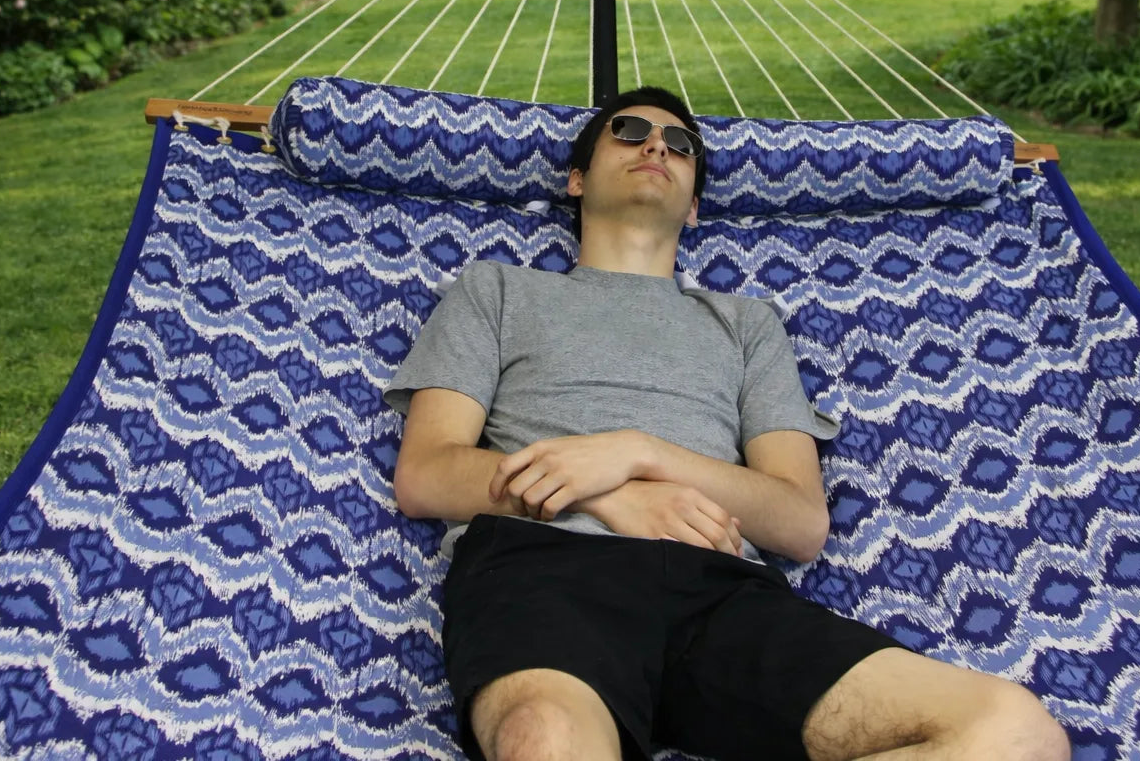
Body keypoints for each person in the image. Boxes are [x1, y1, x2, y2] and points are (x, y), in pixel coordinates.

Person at [385, 87, 1070, 761]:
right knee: (548, 742)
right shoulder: (498, 290)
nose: (657, 145)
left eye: (680, 145)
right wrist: (609, 493)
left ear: (694, 207)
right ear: (576, 179)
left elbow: (800, 522)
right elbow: (426, 473)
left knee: (1015, 734)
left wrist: (637, 453)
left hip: (719, 597)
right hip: (544, 570)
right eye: (626, 131)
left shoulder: (748, 325)